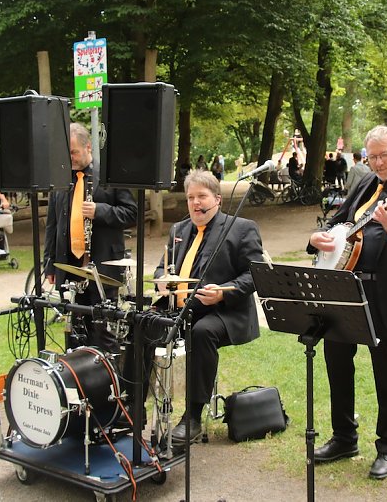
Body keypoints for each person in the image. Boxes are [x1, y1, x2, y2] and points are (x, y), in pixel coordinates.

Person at [308, 125, 387, 480]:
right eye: (373, 156)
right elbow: (342, 219)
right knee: (336, 359)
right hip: (345, 288)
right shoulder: (366, 183)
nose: (378, 162)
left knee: (386, 370)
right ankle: (345, 437)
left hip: (385, 296)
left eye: (384, 155)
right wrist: (317, 238)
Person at [154, 169, 264, 444]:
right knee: (141, 322)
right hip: (180, 310)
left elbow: (255, 274)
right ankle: (132, 408)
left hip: (225, 312)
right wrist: (161, 280)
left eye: (201, 196)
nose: (195, 203)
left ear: (216, 199)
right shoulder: (178, 230)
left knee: (201, 332)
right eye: (191, 197)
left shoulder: (242, 228)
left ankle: (192, 417)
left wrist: (224, 294)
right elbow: (161, 267)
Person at [44, 122, 137, 351]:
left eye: (74, 152)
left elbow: (132, 213)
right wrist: (49, 265)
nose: (70, 157)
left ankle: (109, 380)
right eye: (67, 153)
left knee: (104, 329)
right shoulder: (60, 177)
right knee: (76, 330)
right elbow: (52, 225)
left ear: (88, 148)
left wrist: (100, 211)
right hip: (71, 265)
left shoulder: (108, 175)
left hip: (102, 265)